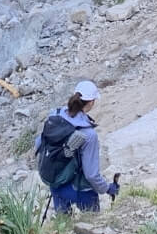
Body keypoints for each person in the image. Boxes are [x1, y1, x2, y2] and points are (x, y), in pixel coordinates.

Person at [35, 80, 118, 214]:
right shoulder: (88, 134)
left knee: (62, 222)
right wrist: (107, 188)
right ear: (91, 102)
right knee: (91, 222)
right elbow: (91, 175)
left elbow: (39, 143)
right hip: (80, 189)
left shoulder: (55, 114)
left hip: (55, 182)